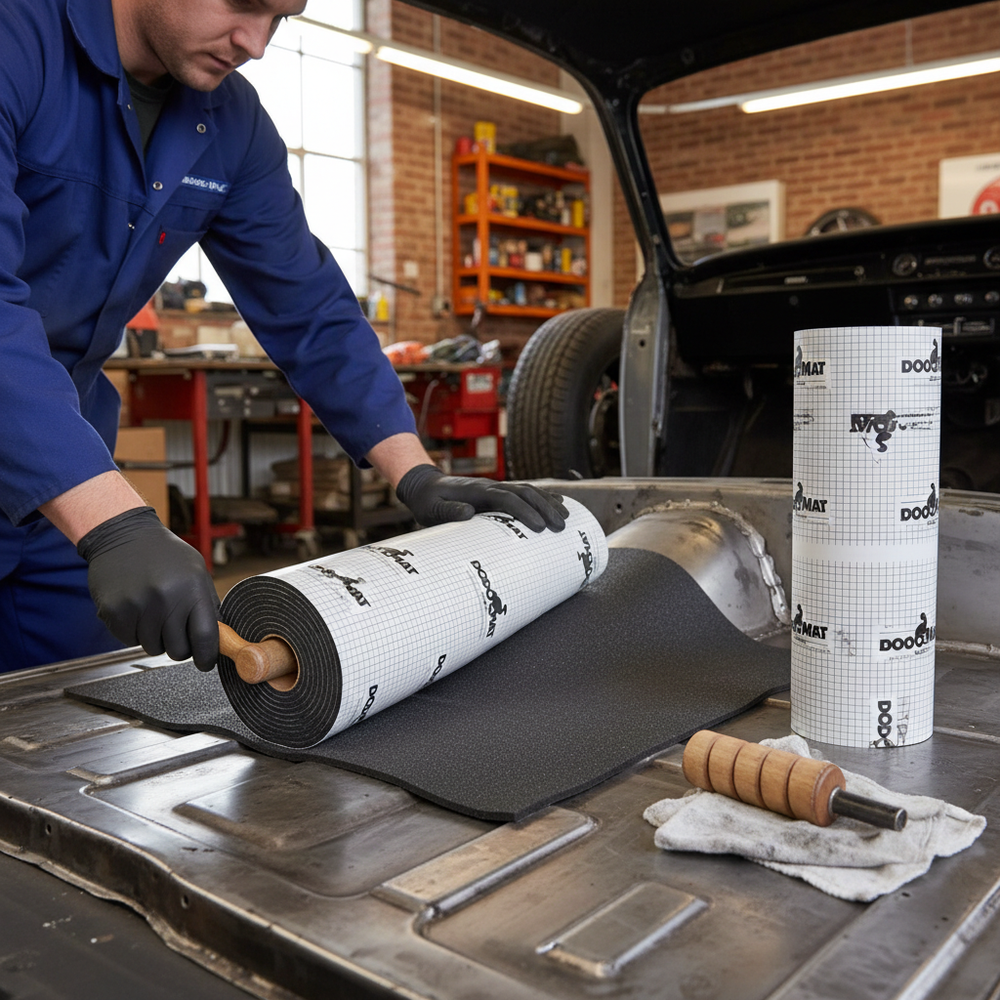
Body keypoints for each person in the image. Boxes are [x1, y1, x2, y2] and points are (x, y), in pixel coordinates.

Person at [0, 0, 567, 674]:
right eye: (244, 5)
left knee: (65, 714)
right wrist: (114, 519)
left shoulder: (230, 122)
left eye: (281, 19)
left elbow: (309, 305)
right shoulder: (17, 40)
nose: (257, 43)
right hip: (63, 471)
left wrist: (414, 471)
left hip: (57, 478)